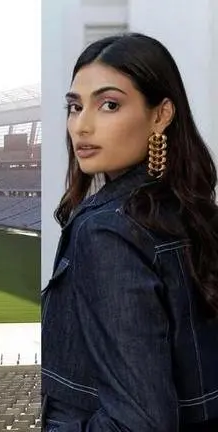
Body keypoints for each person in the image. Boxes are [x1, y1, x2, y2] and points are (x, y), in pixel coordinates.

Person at [41, 32, 218, 431]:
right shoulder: (196, 213)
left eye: (109, 104)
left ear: (161, 114)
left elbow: (139, 422)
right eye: (74, 107)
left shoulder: (108, 232)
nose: (81, 126)